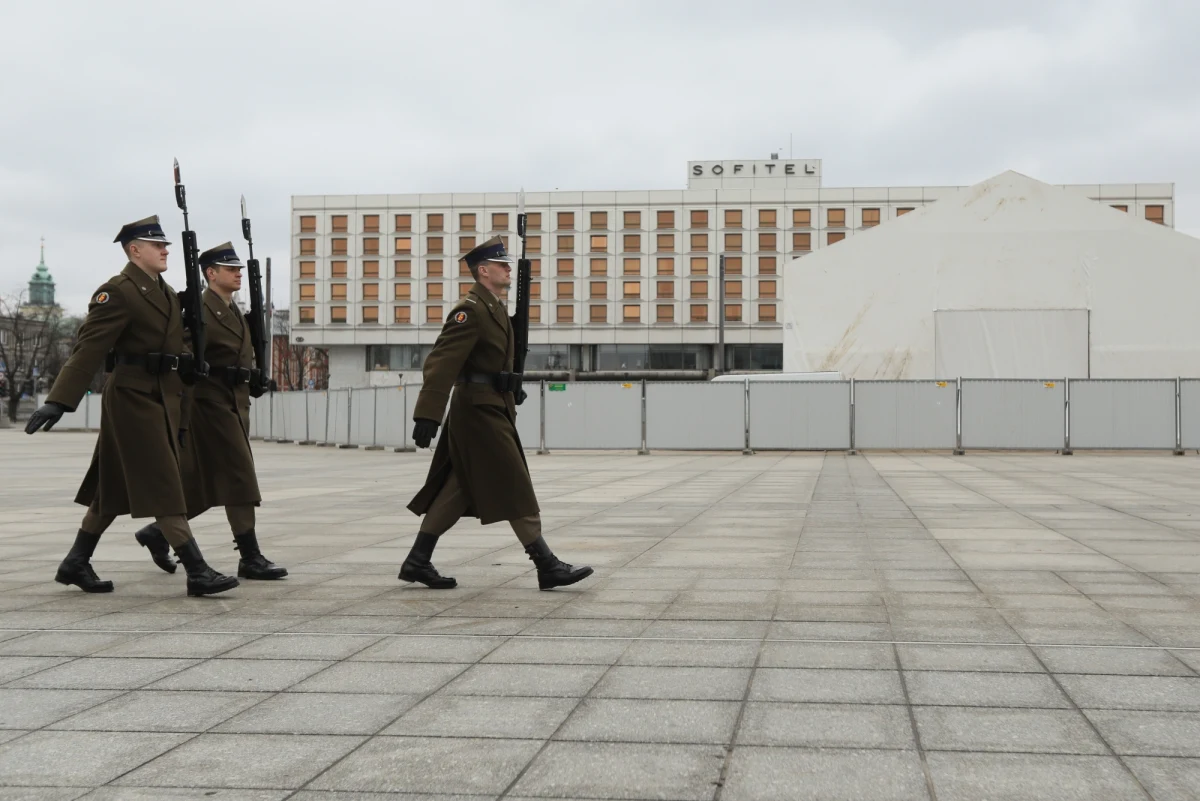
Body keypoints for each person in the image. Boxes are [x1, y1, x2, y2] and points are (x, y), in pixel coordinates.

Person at [24, 216, 238, 597]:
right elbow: (89, 347)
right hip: (132, 400)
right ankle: (197, 569)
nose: (165, 250)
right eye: (157, 245)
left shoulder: (166, 292)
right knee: (164, 481)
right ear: (134, 250)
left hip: (164, 398)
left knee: (111, 488)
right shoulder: (118, 292)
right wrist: (59, 400)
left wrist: (190, 360)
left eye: (166, 245)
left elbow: (174, 345)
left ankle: (76, 560)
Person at [401, 235, 593, 591]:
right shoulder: (470, 309)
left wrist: (510, 383)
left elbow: (493, 359)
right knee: (513, 479)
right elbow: (441, 361)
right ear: (484, 271)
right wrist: (428, 412)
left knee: (457, 488)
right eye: (503, 265)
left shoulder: (495, 307)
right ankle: (546, 563)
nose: (509, 269)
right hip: (477, 410)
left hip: (491, 403)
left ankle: (417, 560)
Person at [131, 242, 287, 581]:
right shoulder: (199, 309)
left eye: (239, 269)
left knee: (208, 484)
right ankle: (250, 556)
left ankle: (157, 533)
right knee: (241, 475)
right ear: (210, 273)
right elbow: (186, 351)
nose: (237, 273)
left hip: (234, 402)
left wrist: (256, 377)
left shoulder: (235, 310)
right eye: (230, 268)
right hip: (207, 404)